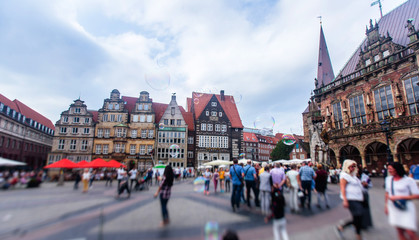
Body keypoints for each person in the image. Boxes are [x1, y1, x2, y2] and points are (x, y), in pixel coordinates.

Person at [385, 162, 419, 240]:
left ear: (397, 169)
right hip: (393, 207)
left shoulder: (408, 180)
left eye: (390, 169)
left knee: (410, 232)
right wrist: (386, 206)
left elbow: (417, 195)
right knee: (399, 231)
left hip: (406, 207)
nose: (389, 171)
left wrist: (399, 197)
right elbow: (387, 193)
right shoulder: (388, 179)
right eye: (388, 169)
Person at [335, 160, 365, 240]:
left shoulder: (353, 175)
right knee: (358, 216)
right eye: (351, 166)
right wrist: (345, 200)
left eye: (354, 166)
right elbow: (342, 188)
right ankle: (358, 236)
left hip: (358, 198)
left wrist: (363, 184)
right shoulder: (344, 175)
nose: (353, 168)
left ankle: (341, 227)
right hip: (351, 199)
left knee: (358, 217)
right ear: (346, 167)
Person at [359, 165, 373, 230]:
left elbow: (370, 184)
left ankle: (366, 223)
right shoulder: (352, 177)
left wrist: (366, 184)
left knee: (365, 209)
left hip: (364, 193)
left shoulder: (365, 176)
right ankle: (359, 223)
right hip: (355, 195)